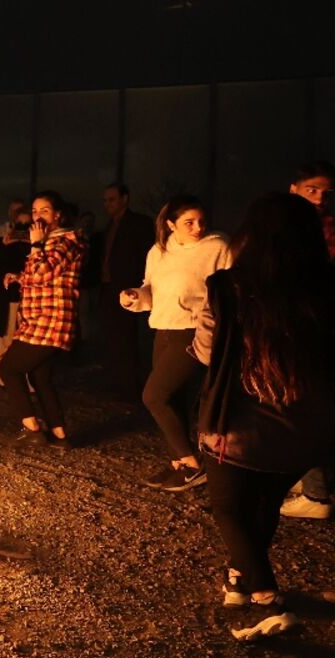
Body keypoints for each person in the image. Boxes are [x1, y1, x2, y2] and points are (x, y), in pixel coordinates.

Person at [191, 193, 335, 635]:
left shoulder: (230, 286)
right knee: (263, 502)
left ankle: (266, 595)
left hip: (241, 427)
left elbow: (207, 351)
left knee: (228, 506)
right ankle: (238, 578)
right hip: (309, 429)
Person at [120, 195, 231, 491]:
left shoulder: (218, 247)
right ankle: (180, 465)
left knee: (154, 396)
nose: (197, 227)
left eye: (201, 221)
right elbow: (150, 287)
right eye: (189, 222)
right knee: (175, 400)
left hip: (193, 331)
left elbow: (229, 291)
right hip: (164, 329)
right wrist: (135, 295)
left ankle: (193, 465)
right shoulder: (159, 251)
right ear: (171, 225)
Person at [279, 162, 335, 519]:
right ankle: (306, 480)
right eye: (312, 189)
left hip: (310, 329)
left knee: (304, 405)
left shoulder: (320, 228)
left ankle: (315, 493)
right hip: (304, 325)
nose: (320, 198)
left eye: (326, 193)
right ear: (294, 187)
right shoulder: (292, 224)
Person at [0, 191, 86, 449]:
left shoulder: (68, 241)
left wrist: (35, 245)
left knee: (8, 369)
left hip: (51, 322)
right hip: (39, 320)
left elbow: (42, 273)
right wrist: (18, 277)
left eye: (44, 211)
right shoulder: (49, 242)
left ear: (57, 214)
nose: (37, 216)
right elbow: (42, 277)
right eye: (35, 211)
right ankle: (59, 435)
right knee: (40, 377)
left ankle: (32, 429)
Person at [95, 183, 155, 400]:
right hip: (109, 287)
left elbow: (146, 256)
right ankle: (118, 380)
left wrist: (139, 286)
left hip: (128, 288)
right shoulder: (109, 226)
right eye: (105, 200)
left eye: (111, 199)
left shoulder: (138, 224)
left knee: (126, 338)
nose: (107, 204)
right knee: (113, 336)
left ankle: (130, 384)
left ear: (124, 199)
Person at [0, 211, 31, 386]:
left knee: (23, 340)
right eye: (19, 225)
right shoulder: (2, 242)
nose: (22, 230)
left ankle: (22, 378)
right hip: (5, 297)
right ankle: (0, 376)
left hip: (24, 296)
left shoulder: (34, 243)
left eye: (26, 225)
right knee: (4, 338)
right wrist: (4, 243)